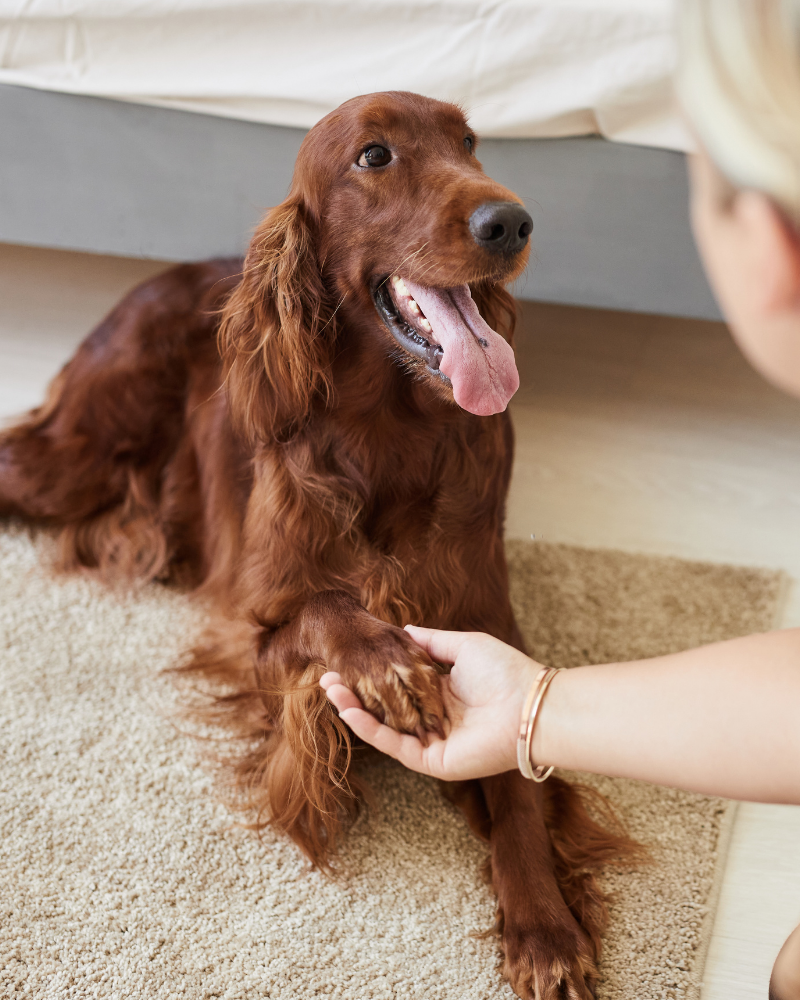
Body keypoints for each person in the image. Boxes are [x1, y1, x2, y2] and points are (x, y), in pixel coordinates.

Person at [319, 1, 800, 997]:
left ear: (770, 242)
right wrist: (536, 706)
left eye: (465, 146)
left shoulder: (475, 422)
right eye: (379, 158)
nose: (492, 204)